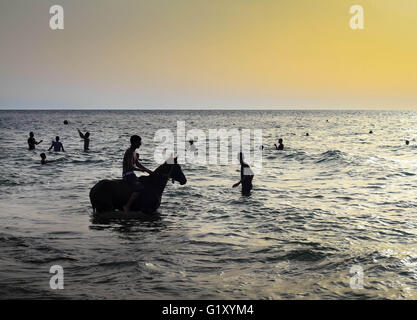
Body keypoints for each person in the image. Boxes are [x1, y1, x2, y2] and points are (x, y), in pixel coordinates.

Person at [122, 135, 153, 212]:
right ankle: (127, 206)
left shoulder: (134, 152)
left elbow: (137, 163)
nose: (140, 144)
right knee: (139, 188)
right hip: (127, 174)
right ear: (135, 142)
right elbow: (130, 166)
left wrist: (147, 170)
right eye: (139, 142)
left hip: (131, 174)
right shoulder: (129, 152)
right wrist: (140, 170)